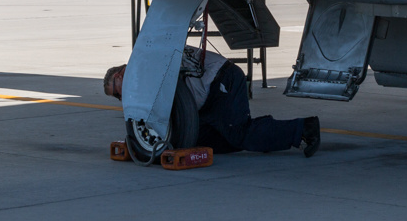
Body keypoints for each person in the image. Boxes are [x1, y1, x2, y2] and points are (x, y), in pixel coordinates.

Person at [104, 50, 321, 157]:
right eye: (116, 97)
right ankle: (256, 132)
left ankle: (303, 129)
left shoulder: (145, 67)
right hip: (208, 97)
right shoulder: (146, 69)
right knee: (200, 140)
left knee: (239, 134)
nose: (121, 98)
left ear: (121, 74)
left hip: (221, 81)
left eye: (117, 89)